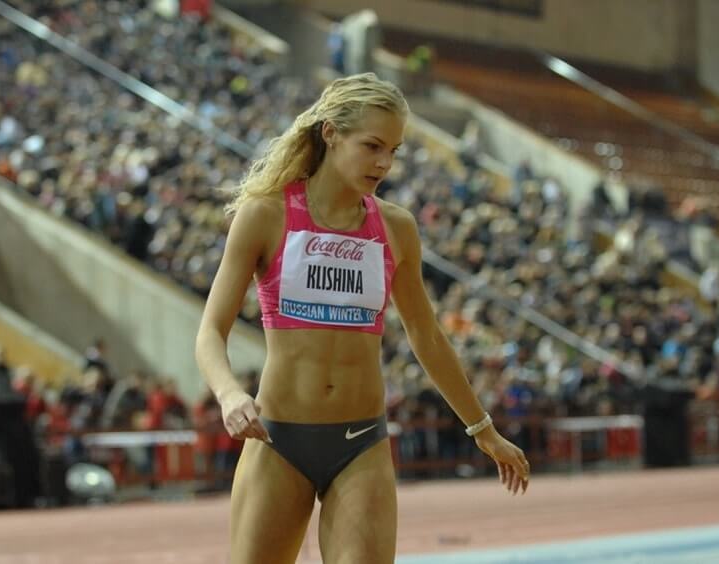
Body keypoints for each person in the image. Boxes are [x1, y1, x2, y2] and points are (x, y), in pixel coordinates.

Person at [195, 72, 530, 564]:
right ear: (330, 133)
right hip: (278, 438)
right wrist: (228, 394)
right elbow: (210, 331)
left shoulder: (395, 228)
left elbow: (427, 337)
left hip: (361, 444)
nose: (384, 163)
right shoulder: (266, 214)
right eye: (373, 145)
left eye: (394, 150)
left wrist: (482, 428)